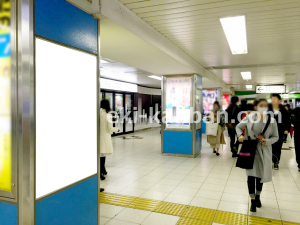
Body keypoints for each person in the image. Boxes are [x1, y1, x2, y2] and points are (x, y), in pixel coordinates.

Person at [236, 98, 279, 212]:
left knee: (260, 176)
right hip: (250, 150)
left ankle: (258, 196)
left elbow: (276, 137)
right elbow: (238, 127)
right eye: (261, 105)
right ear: (255, 107)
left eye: (265, 105)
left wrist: (267, 141)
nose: (263, 107)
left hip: (264, 151)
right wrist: (240, 135)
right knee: (250, 175)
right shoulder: (249, 118)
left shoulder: (272, 121)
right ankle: (252, 200)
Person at [269, 94, 291, 170]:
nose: (273, 100)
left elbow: (287, 121)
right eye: (272, 98)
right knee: (269, 147)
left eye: (275, 98)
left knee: (278, 147)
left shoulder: (283, 110)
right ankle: (269, 161)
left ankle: (276, 162)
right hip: (269, 132)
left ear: (279, 100)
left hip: (279, 131)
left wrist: (286, 129)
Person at [100, 99, 119, 180]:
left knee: (100, 154)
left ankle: (103, 170)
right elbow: (110, 128)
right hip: (104, 137)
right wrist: (117, 129)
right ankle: (101, 172)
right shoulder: (108, 115)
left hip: (98, 136)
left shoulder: (98, 113)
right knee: (102, 155)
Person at [291, 107, 300, 172]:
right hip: (297, 133)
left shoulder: (295, 111)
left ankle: (299, 164)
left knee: (298, 148)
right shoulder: (296, 110)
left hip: (297, 133)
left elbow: (292, 122)